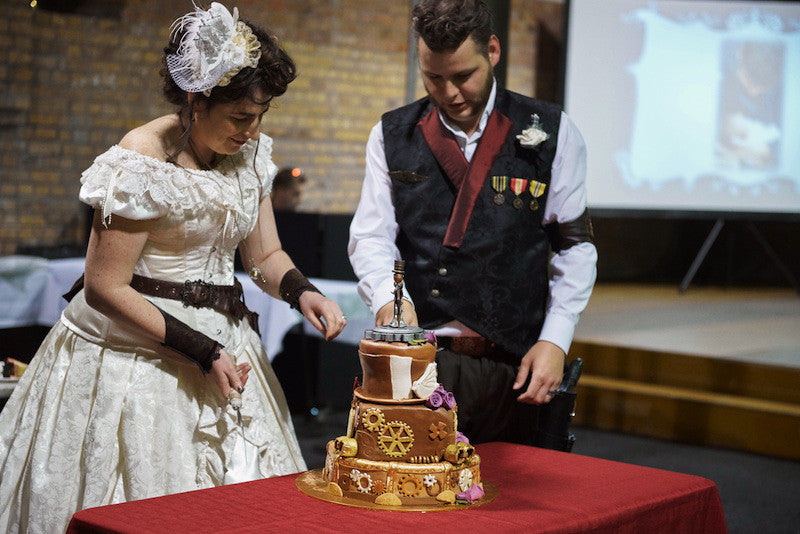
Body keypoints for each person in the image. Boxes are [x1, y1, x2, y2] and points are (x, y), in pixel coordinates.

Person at [0, 3, 346, 532]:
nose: (251, 133)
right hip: (140, 350)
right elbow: (103, 287)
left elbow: (264, 257)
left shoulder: (250, 155)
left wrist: (303, 293)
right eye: (239, 117)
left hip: (226, 346)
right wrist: (201, 349)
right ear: (196, 98)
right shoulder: (142, 159)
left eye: (260, 118)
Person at [348, 0, 597, 446]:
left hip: (515, 366)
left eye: (464, 75)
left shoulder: (554, 131)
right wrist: (391, 303)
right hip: (420, 361)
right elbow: (371, 237)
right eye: (433, 77)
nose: (449, 93)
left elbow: (574, 246)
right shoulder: (390, 133)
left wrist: (556, 340)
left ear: (494, 51)